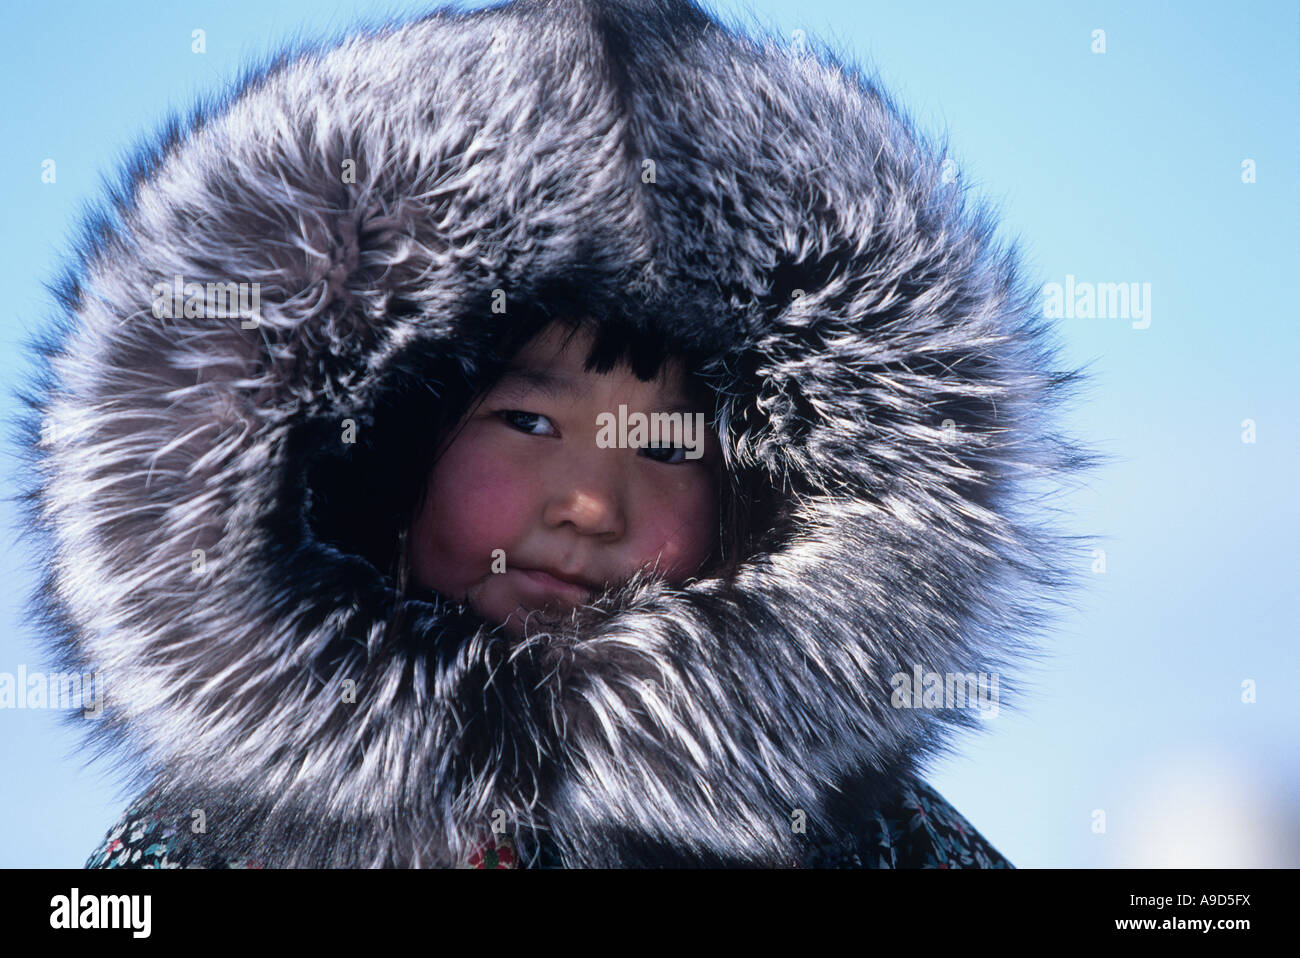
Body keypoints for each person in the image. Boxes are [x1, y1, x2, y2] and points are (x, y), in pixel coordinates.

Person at [26, 0, 1095, 869]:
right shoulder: (212, 847)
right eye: (529, 420)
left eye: (669, 445)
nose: (588, 501)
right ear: (377, 456)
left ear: (757, 513)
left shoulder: (866, 845)